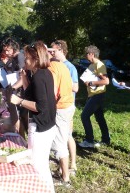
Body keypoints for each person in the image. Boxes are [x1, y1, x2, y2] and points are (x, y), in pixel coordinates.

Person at [10, 41, 56, 193]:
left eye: (28, 58)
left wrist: (19, 101)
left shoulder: (39, 77)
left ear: (36, 59)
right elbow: (32, 93)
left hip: (41, 127)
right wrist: (24, 78)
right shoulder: (43, 73)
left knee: (39, 166)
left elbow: (40, 106)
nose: (25, 61)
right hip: (47, 125)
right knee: (40, 163)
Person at [51, 40, 79, 175]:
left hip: (66, 105)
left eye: (53, 50)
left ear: (61, 50)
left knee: (68, 136)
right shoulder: (57, 65)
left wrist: (63, 83)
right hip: (60, 105)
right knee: (63, 136)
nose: (51, 53)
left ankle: (72, 164)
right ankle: (63, 166)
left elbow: (76, 87)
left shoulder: (70, 67)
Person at [48, 44, 74, 186]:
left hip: (61, 107)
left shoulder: (52, 68)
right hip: (68, 105)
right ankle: (63, 172)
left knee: (60, 143)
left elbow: (52, 93)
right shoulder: (62, 66)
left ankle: (65, 178)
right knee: (63, 139)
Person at [79, 45, 110, 148]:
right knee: (100, 117)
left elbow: (106, 81)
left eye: (86, 54)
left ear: (91, 54)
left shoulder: (98, 64)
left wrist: (91, 83)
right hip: (93, 94)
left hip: (97, 95)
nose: (85, 56)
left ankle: (89, 140)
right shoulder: (92, 64)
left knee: (84, 116)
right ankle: (106, 139)